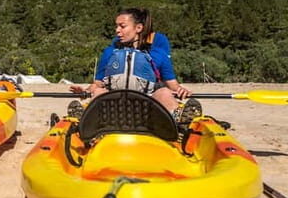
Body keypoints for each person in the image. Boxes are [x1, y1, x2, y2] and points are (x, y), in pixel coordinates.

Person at [70, 7, 200, 122]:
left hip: (148, 103)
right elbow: (98, 83)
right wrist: (86, 91)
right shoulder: (109, 52)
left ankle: (178, 118)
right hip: (113, 102)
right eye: (116, 26)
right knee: (99, 91)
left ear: (138, 28)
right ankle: (85, 117)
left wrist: (181, 90)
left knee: (164, 92)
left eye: (122, 26)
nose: (117, 30)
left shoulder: (158, 54)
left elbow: (173, 86)